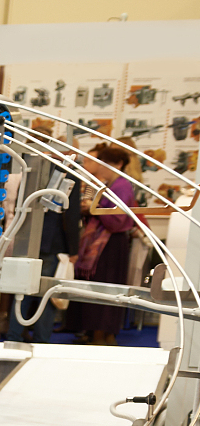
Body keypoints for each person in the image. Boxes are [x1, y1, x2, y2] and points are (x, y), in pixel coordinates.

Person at [9, 134, 82, 344]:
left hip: (27, 239)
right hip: (53, 244)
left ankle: (14, 336)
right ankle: (41, 340)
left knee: (21, 292)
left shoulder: (32, 168)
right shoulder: (70, 175)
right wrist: (73, 248)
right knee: (47, 295)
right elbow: (71, 214)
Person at [69, 144, 140, 344]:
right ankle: (101, 333)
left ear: (112, 164)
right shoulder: (112, 184)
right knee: (103, 287)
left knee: (106, 288)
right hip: (107, 244)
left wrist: (94, 209)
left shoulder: (121, 185)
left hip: (111, 245)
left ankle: (102, 333)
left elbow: (118, 219)